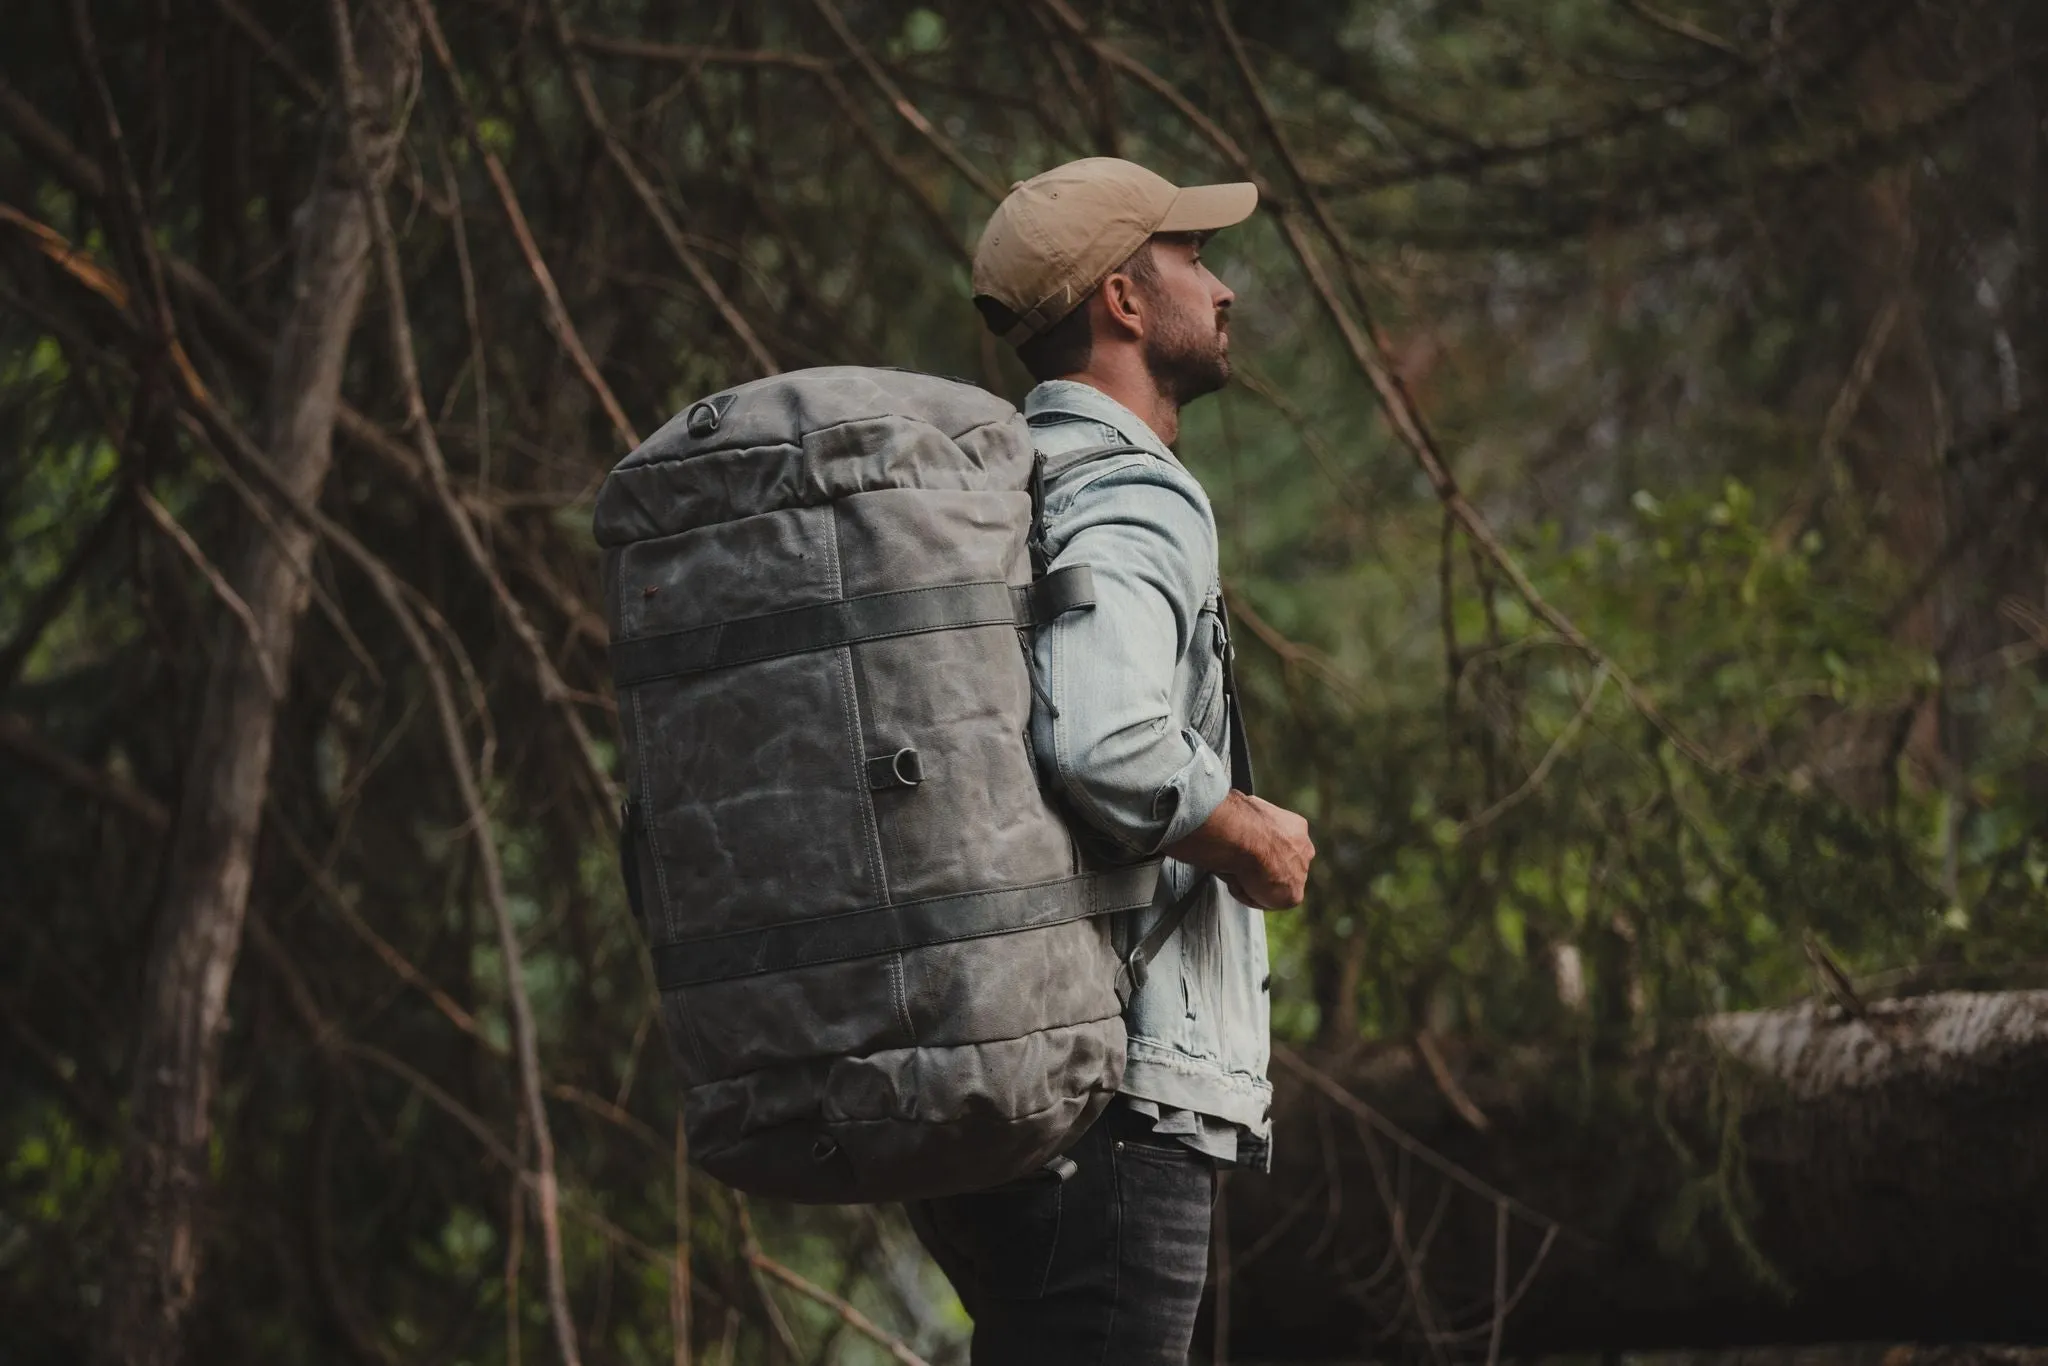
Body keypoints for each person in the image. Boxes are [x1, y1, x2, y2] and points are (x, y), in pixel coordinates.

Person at [907, 158, 1318, 1364]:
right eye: (1193, 259)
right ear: (1123, 303)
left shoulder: (999, 494)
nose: (1223, 287)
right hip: (1116, 1100)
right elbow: (1106, 738)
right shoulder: (1134, 487)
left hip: (1002, 1085)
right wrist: (1249, 834)